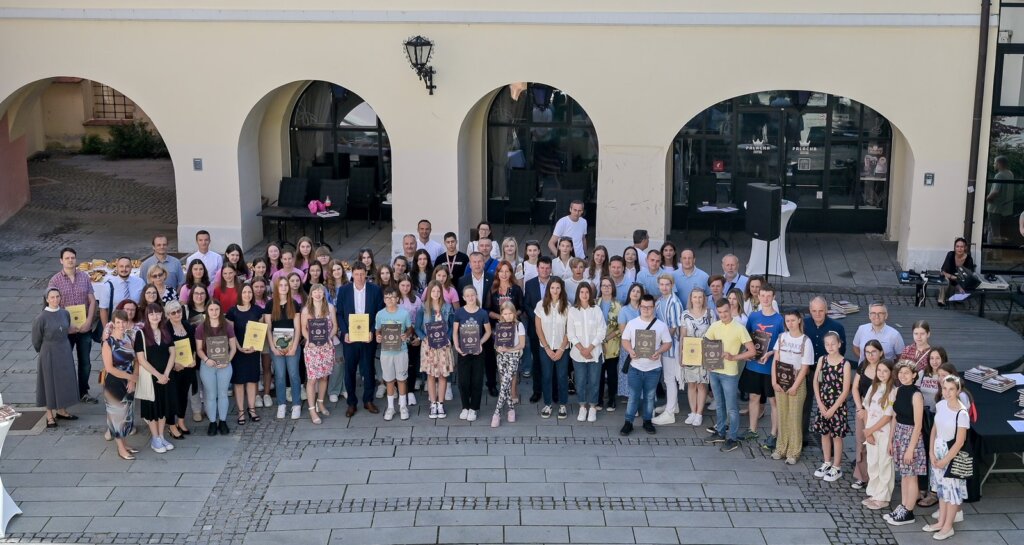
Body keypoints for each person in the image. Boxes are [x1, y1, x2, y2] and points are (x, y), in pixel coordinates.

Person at [703, 297, 756, 453]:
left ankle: (732, 438)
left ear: (731, 310)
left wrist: (734, 357)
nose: (723, 315)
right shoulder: (714, 326)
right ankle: (720, 432)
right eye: (720, 312)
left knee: (732, 408)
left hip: (730, 374)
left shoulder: (739, 328)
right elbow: (706, 345)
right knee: (719, 404)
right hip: (715, 372)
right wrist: (709, 362)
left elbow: (752, 351)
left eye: (725, 311)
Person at [48, 247, 98, 404]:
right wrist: (66, 326)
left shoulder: (84, 277)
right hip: (65, 330)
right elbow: (52, 306)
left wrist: (89, 321)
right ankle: (66, 393)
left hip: (84, 327)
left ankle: (84, 392)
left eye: (73, 258)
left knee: (85, 363)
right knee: (65, 363)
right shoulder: (55, 280)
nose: (70, 260)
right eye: (67, 258)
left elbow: (92, 301)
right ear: (61, 260)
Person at [619, 294, 672, 436]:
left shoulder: (661, 326)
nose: (646, 310)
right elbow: (625, 340)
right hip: (635, 367)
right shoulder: (632, 323)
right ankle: (628, 422)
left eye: (649, 307)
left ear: (653, 308)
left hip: (653, 368)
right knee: (633, 396)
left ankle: (647, 421)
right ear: (640, 307)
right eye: (643, 307)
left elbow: (668, 342)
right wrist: (630, 350)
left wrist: (659, 351)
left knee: (649, 396)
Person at [337, 262, 385, 417]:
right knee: (349, 370)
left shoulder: (375, 290)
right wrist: (344, 332)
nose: (359, 277)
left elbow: (379, 312)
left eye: (362, 274)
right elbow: (339, 313)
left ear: (366, 274)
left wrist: (373, 331)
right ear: (352, 275)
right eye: (356, 274)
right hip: (350, 338)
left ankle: (368, 400)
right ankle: (351, 403)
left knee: (368, 369)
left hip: (367, 337)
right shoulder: (344, 290)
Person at [926, 375, 971, 539]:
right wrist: (931, 452)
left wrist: (945, 460)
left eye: (951, 389)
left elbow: (960, 442)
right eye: (945, 388)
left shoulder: (962, 412)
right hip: (937, 450)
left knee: (952, 491)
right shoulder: (940, 405)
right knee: (941, 490)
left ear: (958, 390)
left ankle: (948, 526)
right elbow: (934, 429)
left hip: (951, 455)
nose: (947, 392)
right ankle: (941, 522)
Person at [742, 284, 785, 447]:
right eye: (763, 296)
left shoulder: (780, 320)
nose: (765, 299)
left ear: (773, 297)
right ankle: (752, 430)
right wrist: (747, 351)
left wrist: (771, 353)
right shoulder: (753, 317)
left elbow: (782, 343)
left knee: (774, 401)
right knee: (754, 397)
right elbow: (747, 338)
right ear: (758, 297)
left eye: (769, 296)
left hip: (771, 368)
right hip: (754, 366)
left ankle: (774, 434)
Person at [885, 362, 927, 526]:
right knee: (904, 475)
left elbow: (918, 425)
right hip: (899, 434)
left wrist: (910, 448)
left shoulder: (916, 395)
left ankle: (909, 511)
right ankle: (903, 506)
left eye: (907, 373)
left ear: (914, 375)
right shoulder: (899, 390)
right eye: (901, 373)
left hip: (911, 436)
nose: (903, 375)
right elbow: (895, 416)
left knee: (912, 475)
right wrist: (891, 440)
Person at [769, 309, 813, 465]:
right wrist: (774, 381)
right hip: (781, 381)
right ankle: (781, 447)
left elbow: (805, 367)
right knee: (782, 416)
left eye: (793, 320)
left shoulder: (805, 341)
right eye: (787, 321)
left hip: (797, 383)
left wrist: (795, 386)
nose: (790, 323)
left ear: (799, 320)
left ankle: (794, 451)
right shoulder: (782, 337)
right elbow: (776, 360)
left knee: (794, 418)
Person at [33, 288, 81, 427]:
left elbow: (66, 330)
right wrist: (44, 352)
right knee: (49, 383)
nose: (55, 300)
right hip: (48, 352)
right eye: (52, 297)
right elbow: (36, 341)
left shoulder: (65, 313)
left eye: (57, 296)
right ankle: (49, 415)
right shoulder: (40, 318)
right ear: (47, 299)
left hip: (64, 350)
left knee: (64, 380)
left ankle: (62, 410)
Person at [811, 331, 852, 483]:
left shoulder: (845, 364)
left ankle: (837, 466)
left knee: (837, 436)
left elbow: (845, 389)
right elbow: (816, 381)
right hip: (823, 404)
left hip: (837, 406)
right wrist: (820, 404)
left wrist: (834, 408)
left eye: (833, 344)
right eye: (827, 344)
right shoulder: (822, 360)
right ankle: (827, 461)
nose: (830, 347)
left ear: (839, 344)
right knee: (824, 434)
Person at [135, 303, 176, 452]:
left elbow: (172, 352)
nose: (155, 316)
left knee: (163, 407)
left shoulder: (165, 331)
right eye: (152, 314)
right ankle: (155, 438)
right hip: (151, 377)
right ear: (147, 315)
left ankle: (161, 436)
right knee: (152, 408)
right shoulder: (141, 333)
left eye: (158, 313)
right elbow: (141, 359)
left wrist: (166, 374)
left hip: (165, 376)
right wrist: (158, 375)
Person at [102, 310, 139, 460]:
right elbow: (109, 368)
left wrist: (132, 379)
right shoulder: (108, 342)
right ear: (113, 323)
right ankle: (120, 448)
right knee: (116, 416)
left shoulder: (130, 337)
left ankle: (124, 443)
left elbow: (137, 360)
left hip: (129, 381)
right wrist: (130, 376)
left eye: (123, 322)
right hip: (114, 383)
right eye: (118, 322)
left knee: (127, 414)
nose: (121, 325)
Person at [195, 300, 237, 435]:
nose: (214, 312)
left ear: (220, 311)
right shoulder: (201, 327)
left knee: (223, 394)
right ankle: (213, 422)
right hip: (208, 365)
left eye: (217, 309)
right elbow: (199, 349)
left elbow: (233, 348)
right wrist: (206, 359)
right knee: (211, 395)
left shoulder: (227, 326)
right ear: (207, 311)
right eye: (211, 309)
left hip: (224, 365)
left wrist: (227, 361)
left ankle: (223, 421)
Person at [567, 282, 606, 423]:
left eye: (587, 292)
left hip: (594, 352)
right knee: (581, 381)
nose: (584, 295)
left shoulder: (596, 310)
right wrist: (582, 349)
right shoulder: (573, 311)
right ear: (578, 294)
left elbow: (602, 331)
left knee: (595, 381)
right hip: (578, 354)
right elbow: (570, 333)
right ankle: (582, 406)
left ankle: (593, 407)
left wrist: (590, 348)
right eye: (582, 292)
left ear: (590, 294)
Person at [416, 280, 455, 419]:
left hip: (443, 345)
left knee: (443, 375)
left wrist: (448, 338)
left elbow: (451, 325)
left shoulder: (448, 307)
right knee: (431, 375)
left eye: (438, 291)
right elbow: (418, 328)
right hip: (429, 346)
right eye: (433, 291)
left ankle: (441, 403)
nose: (436, 293)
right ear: (428, 292)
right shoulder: (423, 308)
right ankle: (433, 403)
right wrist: (423, 338)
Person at [265, 277, 302, 420]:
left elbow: (297, 328)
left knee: (293, 374)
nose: (284, 287)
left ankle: (296, 404)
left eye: (286, 285)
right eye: (281, 285)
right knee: (280, 376)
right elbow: (268, 329)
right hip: (276, 347)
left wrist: (294, 346)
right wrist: (273, 347)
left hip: (292, 345)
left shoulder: (294, 304)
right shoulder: (270, 305)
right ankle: (281, 404)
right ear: (276, 287)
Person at [374, 287, 414, 421]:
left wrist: (406, 335)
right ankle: (390, 407)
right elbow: (378, 330)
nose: (390, 300)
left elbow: (410, 328)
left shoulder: (404, 313)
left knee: (402, 379)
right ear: (384, 300)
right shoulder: (380, 314)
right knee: (389, 380)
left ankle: (403, 406)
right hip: (386, 352)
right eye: (387, 298)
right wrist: (378, 337)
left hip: (401, 351)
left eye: (392, 297)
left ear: (397, 299)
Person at [453, 285, 492, 421]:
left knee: (476, 380)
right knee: (463, 381)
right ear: (463, 298)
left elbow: (488, 332)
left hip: (478, 352)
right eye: (467, 295)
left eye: (472, 295)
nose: (470, 297)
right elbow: (455, 332)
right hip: (463, 351)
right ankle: (465, 407)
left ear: (476, 296)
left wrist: (479, 343)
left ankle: (474, 408)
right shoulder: (459, 312)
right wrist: (457, 346)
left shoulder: (482, 313)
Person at [227, 284, 264, 426]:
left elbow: (261, 331)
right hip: (238, 352)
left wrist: (256, 346)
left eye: (249, 292)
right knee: (239, 382)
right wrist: (238, 348)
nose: (247, 294)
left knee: (252, 380)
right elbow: (231, 333)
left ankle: (252, 409)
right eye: (244, 292)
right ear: (240, 294)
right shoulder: (232, 312)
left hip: (253, 351)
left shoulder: (257, 310)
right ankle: (241, 411)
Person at [862, 358, 896, 510]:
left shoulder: (892, 390)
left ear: (891, 373)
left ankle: (883, 497)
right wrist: (867, 431)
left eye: (885, 371)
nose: (882, 374)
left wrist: (871, 430)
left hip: (884, 432)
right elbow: (867, 411)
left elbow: (887, 416)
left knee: (884, 464)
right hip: (871, 432)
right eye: (879, 370)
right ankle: (874, 493)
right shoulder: (873, 387)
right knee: (873, 462)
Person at [301, 284, 337, 423]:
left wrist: (329, 337)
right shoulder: (306, 310)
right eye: (315, 291)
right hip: (312, 348)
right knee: (312, 379)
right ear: (311, 294)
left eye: (320, 291)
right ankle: (312, 410)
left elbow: (334, 326)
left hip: (326, 347)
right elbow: (304, 329)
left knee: (324, 377)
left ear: (324, 293)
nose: (317, 294)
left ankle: (320, 402)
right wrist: (309, 339)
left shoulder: (330, 308)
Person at [535, 277, 570, 419]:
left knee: (562, 376)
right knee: (547, 376)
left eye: (558, 288)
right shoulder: (541, 305)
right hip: (545, 347)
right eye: (552, 288)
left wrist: (561, 348)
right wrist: (547, 348)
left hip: (563, 348)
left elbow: (570, 329)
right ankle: (548, 404)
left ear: (562, 289)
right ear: (548, 289)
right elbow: (538, 328)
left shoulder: (567, 306)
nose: (555, 291)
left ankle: (562, 404)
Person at [652, 274, 684, 426]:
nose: (664, 287)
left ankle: (669, 413)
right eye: (662, 284)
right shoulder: (660, 301)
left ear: (672, 285)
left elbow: (673, 327)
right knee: (667, 379)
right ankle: (674, 405)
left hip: (671, 345)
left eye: (667, 284)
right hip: (663, 345)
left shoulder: (674, 303)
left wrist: (663, 342)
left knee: (670, 379)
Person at [681, 288, 713, 427]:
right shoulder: (685, 314)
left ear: (704, 299)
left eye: (700, 297)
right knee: (691, 383)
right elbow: (682, 335)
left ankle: (699, 413)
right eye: (695, 297)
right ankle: (692, 412)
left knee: (702, 384)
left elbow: (714, 334)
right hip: (690, 353)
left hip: (705, 353)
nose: (698, 300)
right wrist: (681, 354)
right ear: (691, 299)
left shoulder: (710, 314)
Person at [164, 300, 196, 438]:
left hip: (187, 367)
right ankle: (171, 425)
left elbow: (193, 345)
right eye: (173, 312)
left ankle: (181, 422)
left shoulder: (188, 326)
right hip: (173, 369)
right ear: (168, 315)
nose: (177, 314)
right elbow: (164, 350)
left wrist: (194, 358)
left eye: (179, 311)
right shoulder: (165, 329)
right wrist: (174, 363)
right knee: (172, 397)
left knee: (183, 395)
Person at [492, 301, 526, 427]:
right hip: (501, 357)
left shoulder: (519, 325)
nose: (508, 316)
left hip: (514, 356)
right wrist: (498, 348)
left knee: (506, 381)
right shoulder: (500, 326)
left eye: (510, 313)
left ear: (514, 313)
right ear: (502, 314)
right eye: (505, 314)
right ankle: (511, 410)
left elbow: (522, 344)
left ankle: (497, 413)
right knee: (504, 383)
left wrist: (509, 349)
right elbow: (496, 344)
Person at [524, 257, 552, 404]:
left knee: (552, 360)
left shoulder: (556, 283)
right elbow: (526, 304)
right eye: (542, 268)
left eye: (547, 268)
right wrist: (538, 317)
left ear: (551, 269)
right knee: (537, 361)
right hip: (535, 328)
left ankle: (553, 390)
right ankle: (537, 391)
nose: (544, 270)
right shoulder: (529, 284)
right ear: (537, 268)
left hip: (553, 329)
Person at [596, 277, 623, 411]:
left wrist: (606, 338)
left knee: (612, 374)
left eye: (608, 286)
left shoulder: (619, 306)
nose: (606, 288)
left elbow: (621, 327)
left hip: (612, 344)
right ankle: (599, 400)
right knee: (599, 374)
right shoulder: (595, 303)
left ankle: (612, 399)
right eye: (603, 285)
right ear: (600, 288)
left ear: (613, 288)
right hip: (597, 345)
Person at [397, 276, 423, 405]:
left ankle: (411, 391)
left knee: (411, 364)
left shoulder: (416, 300)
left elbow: (420, 320)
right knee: (399, 364)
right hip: (398, 336)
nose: (405, 288)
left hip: (412, 335)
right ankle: (401, 391)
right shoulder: (395, 299)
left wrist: (418, 337)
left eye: (408, 285)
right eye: (403, 285)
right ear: (398, 285)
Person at [616, 283, 644, 400]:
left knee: (642, 375)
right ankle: (632, 402)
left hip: (644, 346)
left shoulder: (645, 308)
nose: (635, 293)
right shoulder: (624, 310)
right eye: (633, 291)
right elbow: (623, 331)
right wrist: (632, 346)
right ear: (629, 293)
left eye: (638, 291)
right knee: (631, 376)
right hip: (629, 347)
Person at [100, 256, 146, 327]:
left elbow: (145, 304)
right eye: (121, 266)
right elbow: (103, 310)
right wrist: (106, 329)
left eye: (127, 266)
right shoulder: (108, 286)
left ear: (131, 268)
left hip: (136, 324)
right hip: (117, 324)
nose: (124, 269)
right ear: (117, 268)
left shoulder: (140, 282)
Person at [985, 155, 1016, 247]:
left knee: (994, 232)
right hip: (1005, 209)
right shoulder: (1010, 174)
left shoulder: (999, 175)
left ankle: (994, 253)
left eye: (995, 163)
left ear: (999, 164)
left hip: (995, 209)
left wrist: (986, 199)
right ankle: (997, 252)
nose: (994, 165)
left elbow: (995, 191)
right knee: (1000, 232)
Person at [937, 237, 975, 307]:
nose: (959, 249)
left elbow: (968, 276)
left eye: (962, 247)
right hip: (950, 279)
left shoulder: (969, 259)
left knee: (964, 284)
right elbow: (943, 272)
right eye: (957, 246)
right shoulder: (950, 255)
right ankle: (941, 299)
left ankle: (957, 297)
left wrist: (959, 286)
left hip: (960, 282)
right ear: (954, 247)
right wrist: (952, 277)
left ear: (965, 248)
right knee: (944, 279)